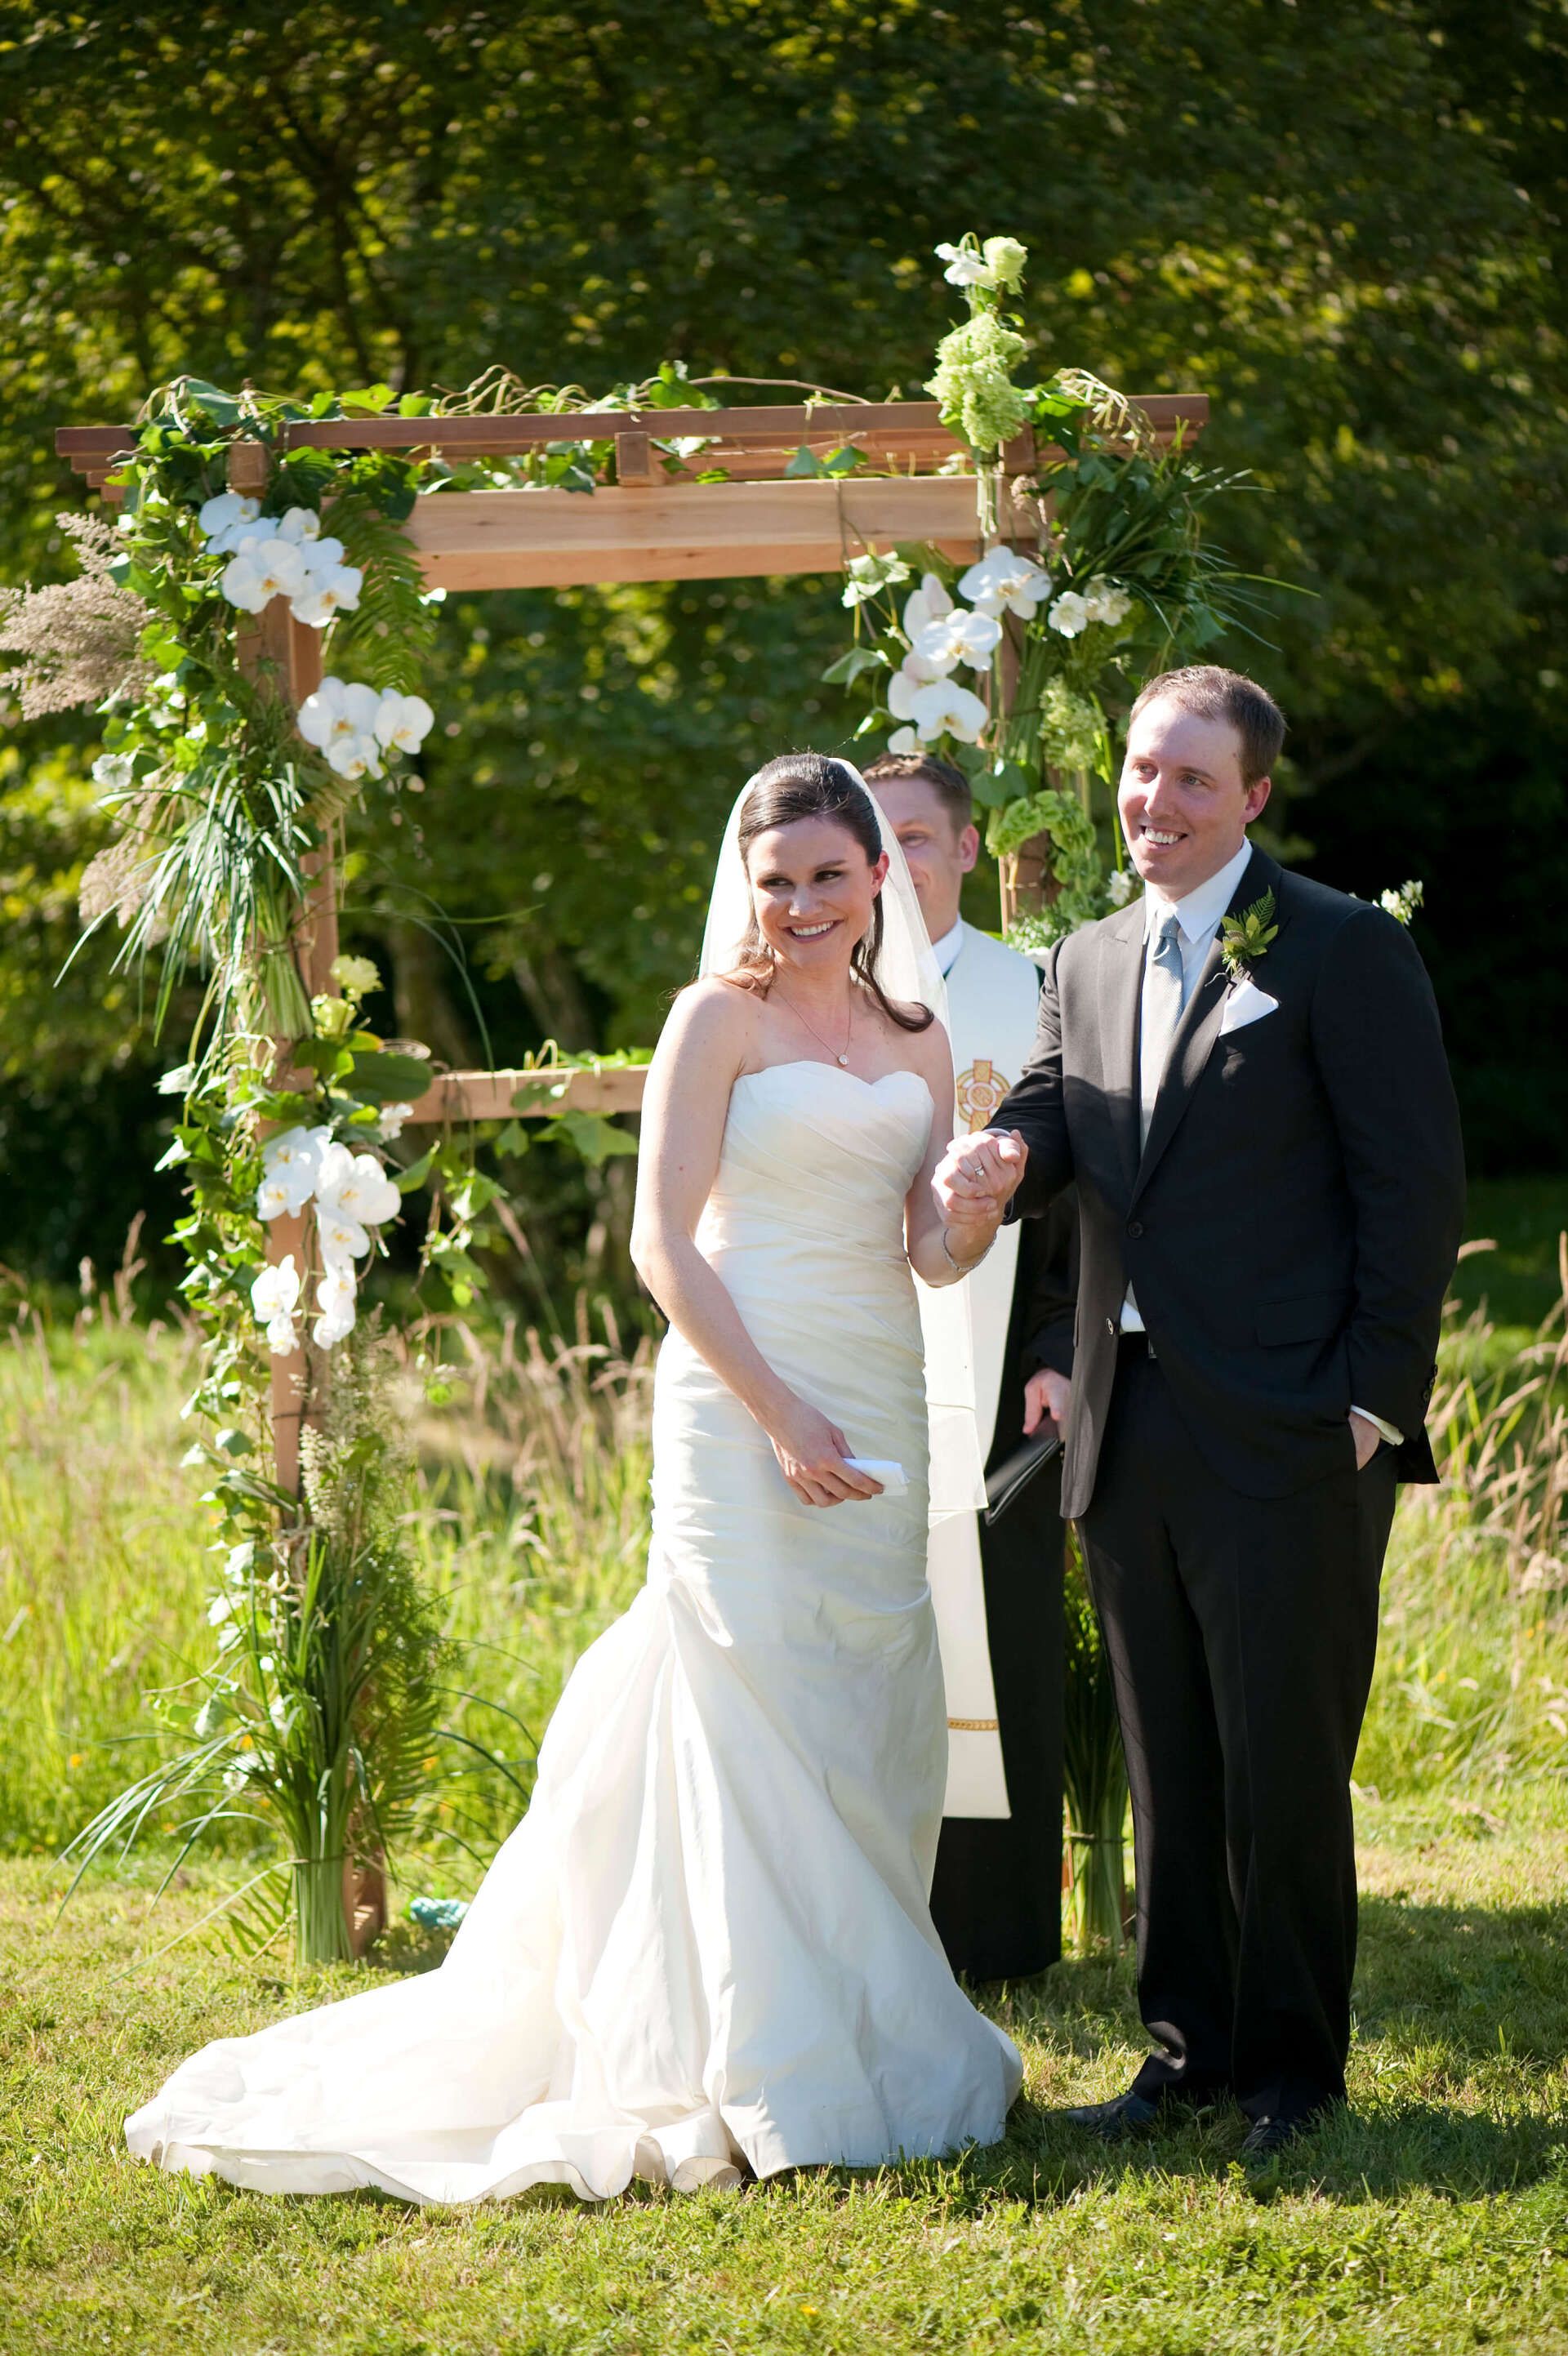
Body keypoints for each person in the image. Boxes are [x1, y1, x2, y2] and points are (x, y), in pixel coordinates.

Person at [125, 753, 1021, 2203]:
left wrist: (971, 1210)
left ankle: (863, 2025)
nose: (798, 901)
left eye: (827, 875)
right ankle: (744, 2061)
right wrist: (781, 1412)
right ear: (750, 881)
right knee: (740, 1702)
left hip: (881, 1395)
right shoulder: (710, 1019)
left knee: (863, 1705)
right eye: (774, 875)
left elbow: (926, 1250)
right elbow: (662, 1248)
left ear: (880, 879)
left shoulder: (918, 1038)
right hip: (745, 1402)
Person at [934, 666, 1464, 2161]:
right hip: (1131, 1414)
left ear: (1252, 797)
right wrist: (1000, 1161)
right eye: (1138, 770)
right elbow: (1054, 1110)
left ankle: (1295, 2067)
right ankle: (1189, 2047)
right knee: (1166, 1750)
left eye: (1186, 779)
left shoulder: (1343, 948)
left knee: (1284, 1755)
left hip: (1295, 1422)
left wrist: (1371, 1400)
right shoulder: (1087, 957)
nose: (1151, 802)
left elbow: (1410, 1187)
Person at [864, 750, 1076, 1983]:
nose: (896, 865)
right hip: (857, 1365)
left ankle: (994, 1930)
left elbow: (1076, 1202)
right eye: (873, 841)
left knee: (1001, 1635)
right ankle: (874, 1911)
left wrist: (1054, 1351)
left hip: (1004, 1380)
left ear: (966, 848)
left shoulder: (1034, 989)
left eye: (920, 839)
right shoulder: (819, 997)